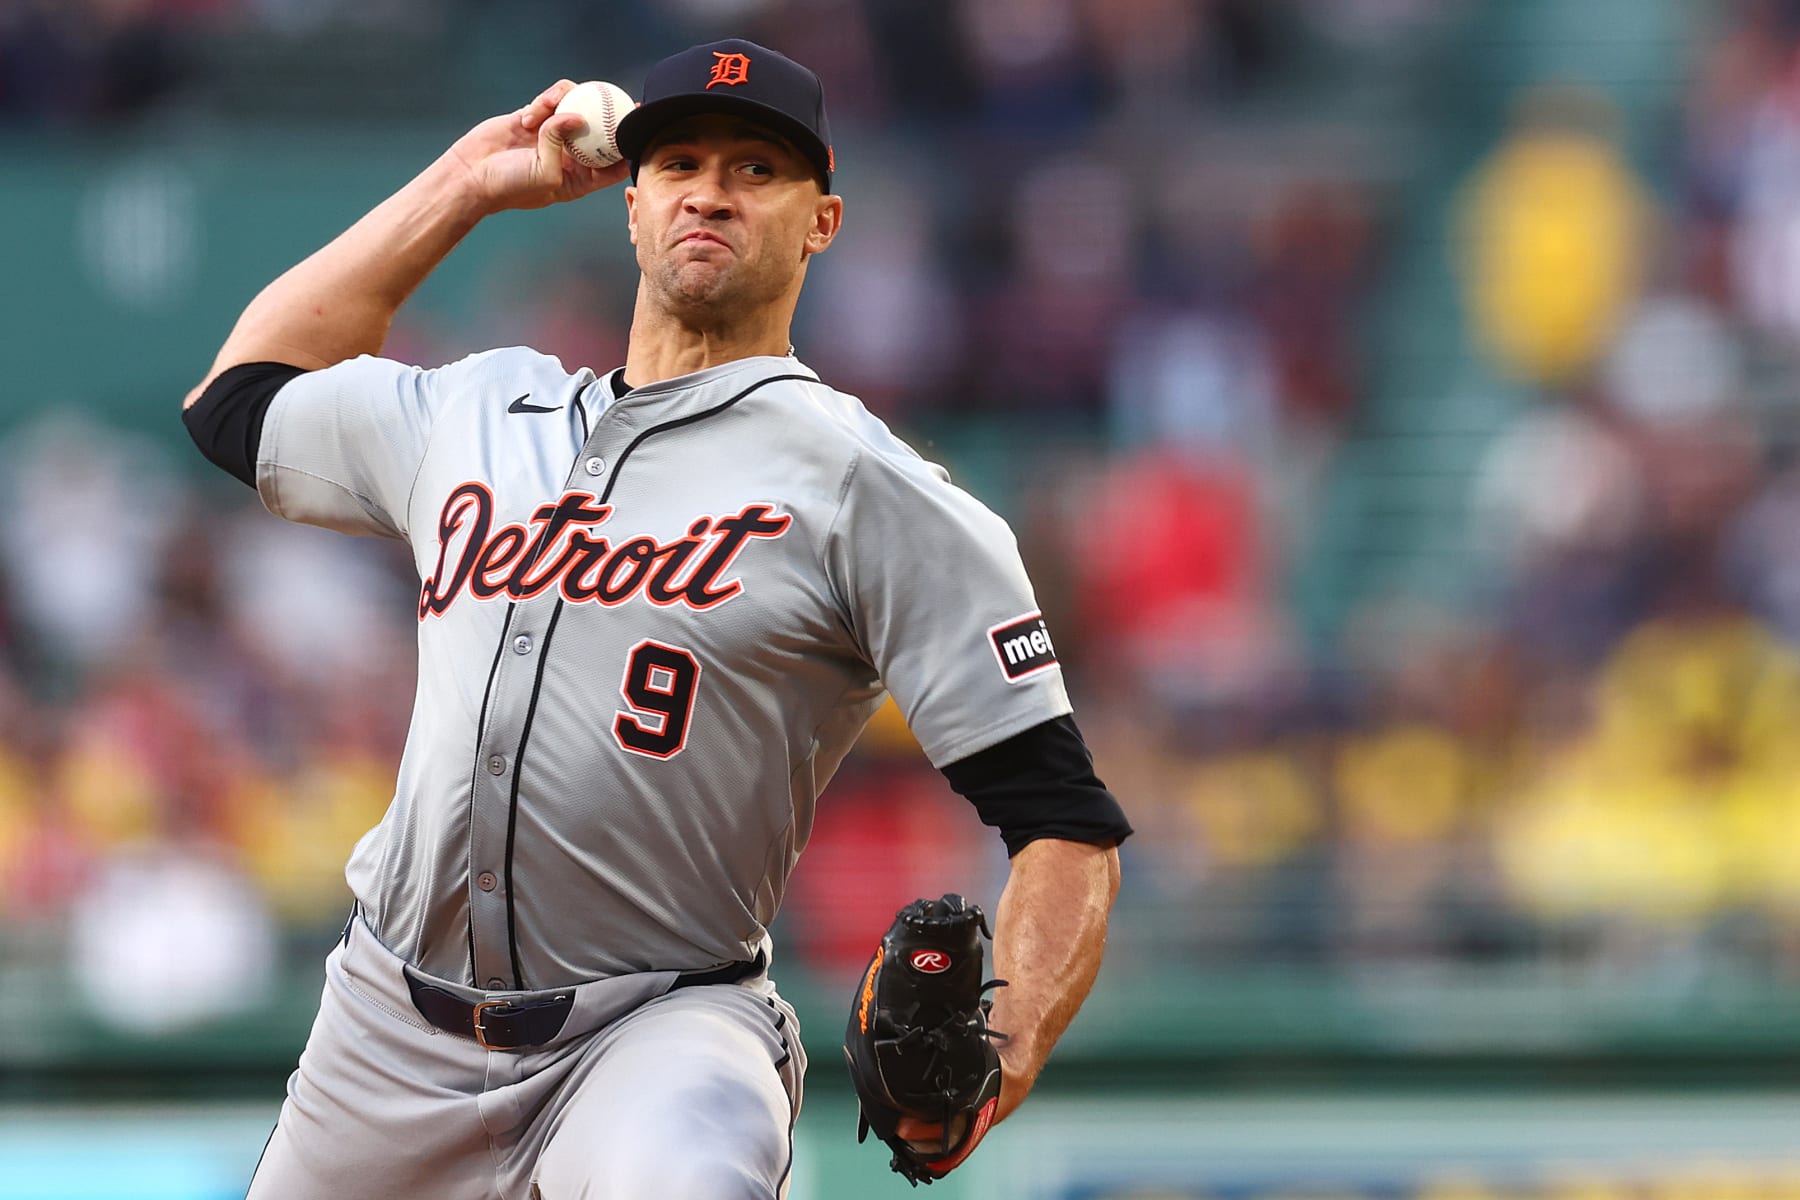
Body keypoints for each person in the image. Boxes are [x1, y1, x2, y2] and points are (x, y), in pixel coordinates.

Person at [182, 38, 1131, 1200]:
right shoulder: (481, 407)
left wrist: (1008, 1051)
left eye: (755, 168)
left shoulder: (867, 488)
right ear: (632, 203)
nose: (711, 190)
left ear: (820, 221)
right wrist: (468, 186)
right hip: (385, 1030)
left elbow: (1063, 820)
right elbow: (238, 400)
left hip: (657, 1032)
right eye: (678, 160)